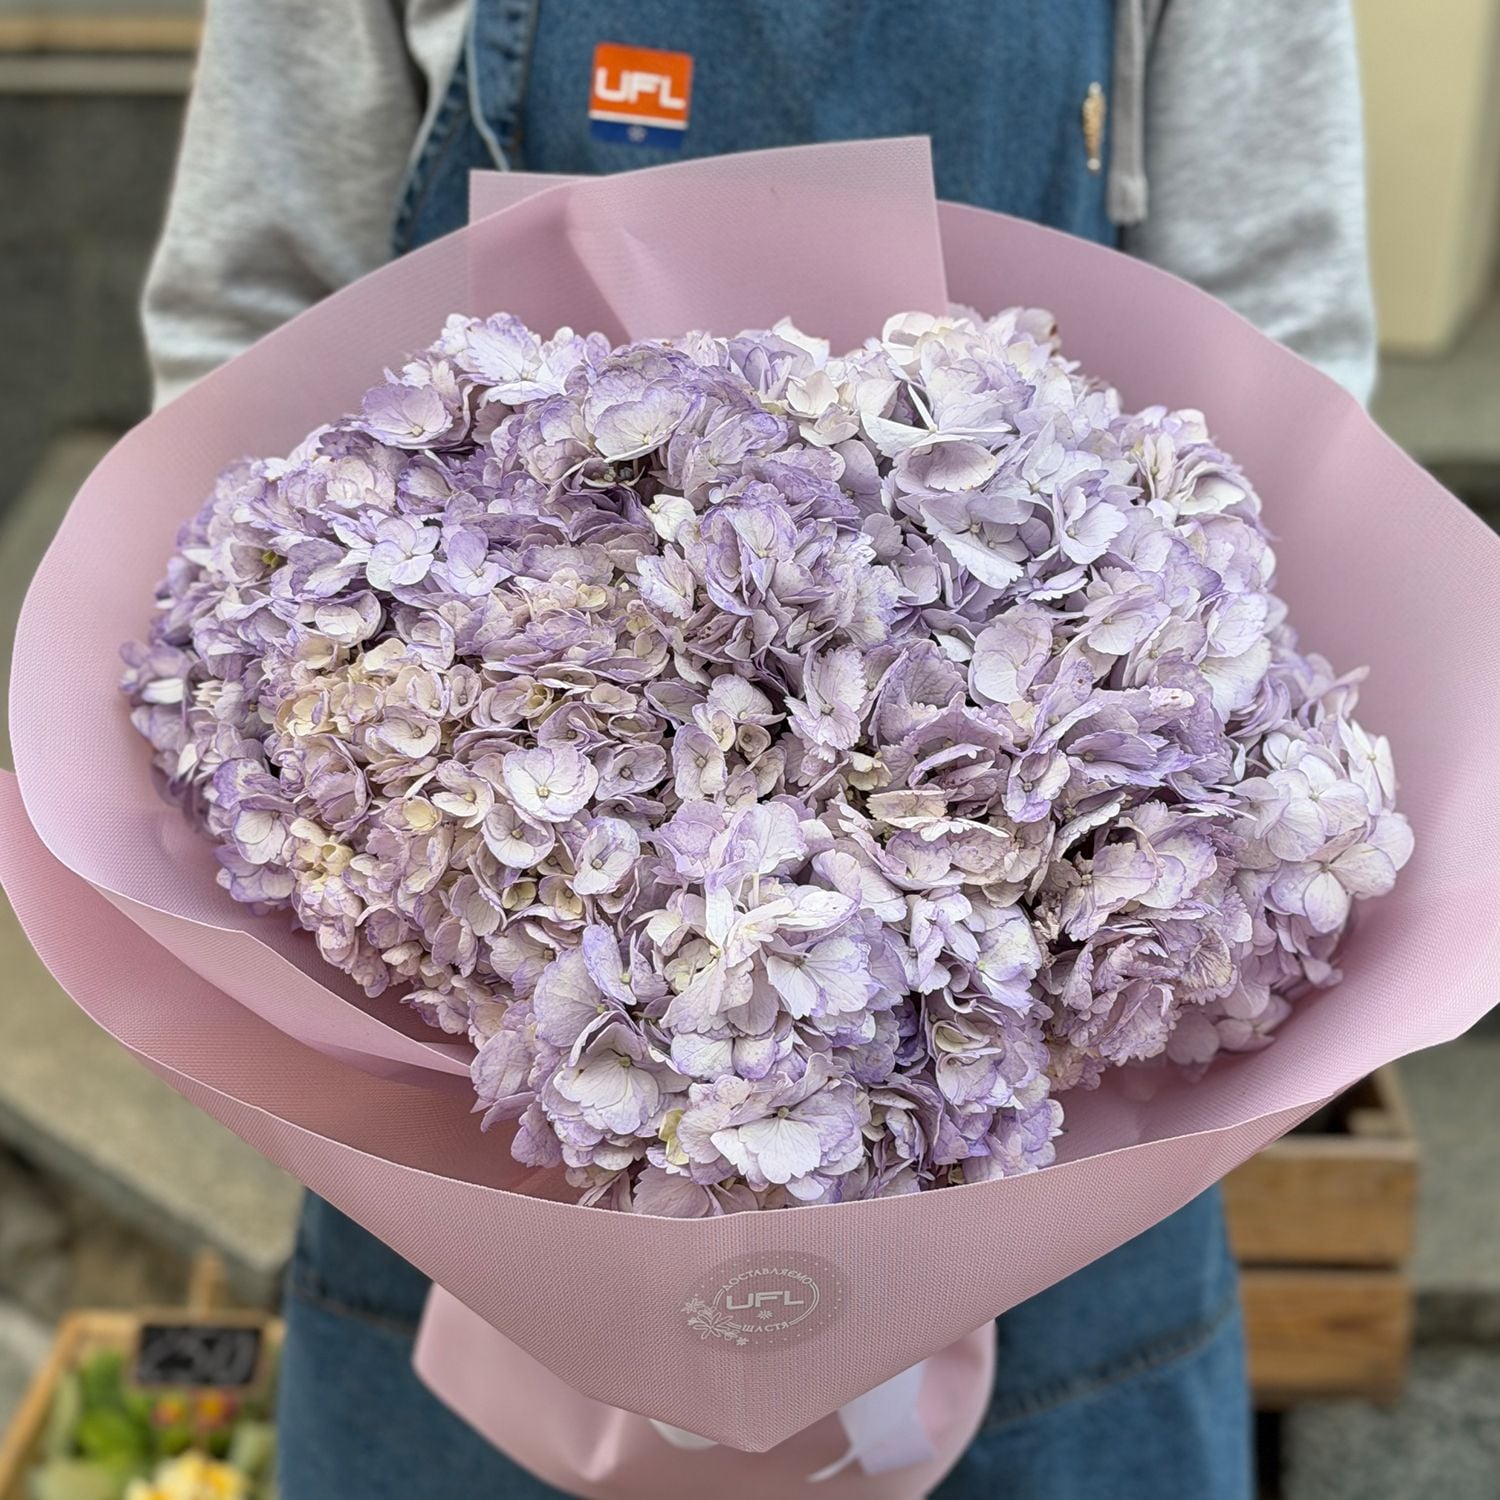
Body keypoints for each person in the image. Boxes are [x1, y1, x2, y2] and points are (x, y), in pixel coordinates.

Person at [143, 4, 1376, 1496]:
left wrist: (1043, 950)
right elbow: (248, 328)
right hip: (484, 1131)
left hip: (1046, 1160)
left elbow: (1286, 375)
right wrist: (410, 882)